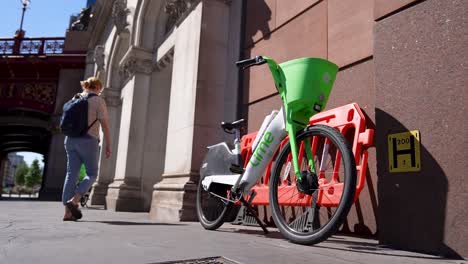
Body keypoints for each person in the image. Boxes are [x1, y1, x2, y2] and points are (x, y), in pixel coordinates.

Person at [62, 77, 111, 221]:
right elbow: (105, 125)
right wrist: (108, 144)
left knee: (71, 174)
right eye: (100, 89)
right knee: (92, 174)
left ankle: (67, 213)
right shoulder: (98, 100)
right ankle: (74, 201)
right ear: (97, 87)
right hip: (89, 140)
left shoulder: (75, 98)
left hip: (70, 140)